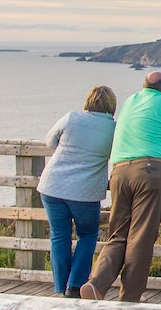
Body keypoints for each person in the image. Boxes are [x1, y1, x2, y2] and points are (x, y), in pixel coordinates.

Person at [82, 70, 161, 303]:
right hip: (149, 172)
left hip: (120, 172)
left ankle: (96, 284)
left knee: (118, 234)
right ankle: (130, 297)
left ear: (143, 87)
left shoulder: (129, 102)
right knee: (141, 237)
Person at [37, 85, 116, 297]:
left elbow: (50, 141)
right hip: (85, 192)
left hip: (53, 185)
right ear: (111, 106)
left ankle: (60, 287)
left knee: (59, 236)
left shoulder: (72, 118)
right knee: (88, 235)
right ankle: (75, 285)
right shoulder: (113, 129)